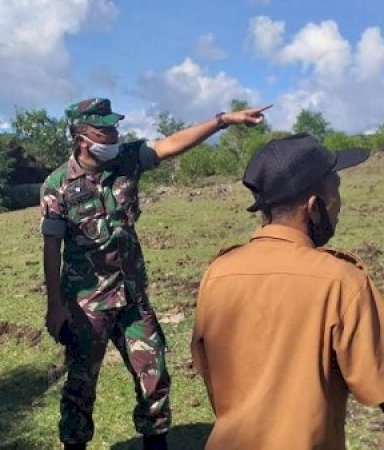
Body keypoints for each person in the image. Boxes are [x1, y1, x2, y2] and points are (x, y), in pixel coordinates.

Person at [40, 98, 270, 450]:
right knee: (81, 386)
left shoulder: (127, 160)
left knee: (155, 373)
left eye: (115, 127)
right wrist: (55, 306)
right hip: (87, 306)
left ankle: (157, 442)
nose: (114, 135)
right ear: (81, 137)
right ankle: (75, 444)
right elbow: (51, 247)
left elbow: (170, 145)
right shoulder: (57, 185)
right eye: (105, 129)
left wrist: (223, 120)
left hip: (132, 296)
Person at [190, 134, 384, 450]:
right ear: (314, 207)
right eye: (336, 190)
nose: (340, 204)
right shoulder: (340, 280)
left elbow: (209, 372)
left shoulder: (217, 273)